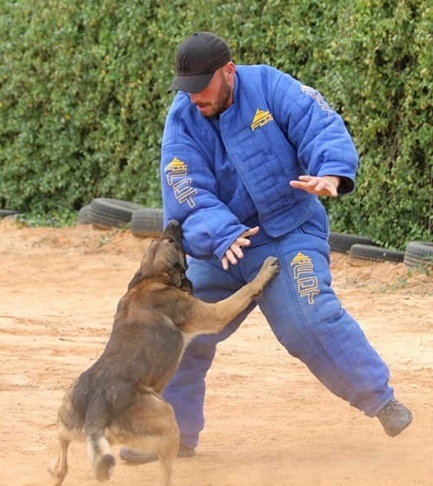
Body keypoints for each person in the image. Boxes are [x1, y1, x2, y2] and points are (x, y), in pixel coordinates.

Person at [120, 31, 412, 463]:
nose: (195, 96)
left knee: (308, 319)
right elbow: (184, 188)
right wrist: (220, 233)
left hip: (290, 233)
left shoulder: (272, 87)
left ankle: (381, 400)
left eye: (203, 85)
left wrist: (331, 171)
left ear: (229, 72)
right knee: (174, 329)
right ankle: (170, 435)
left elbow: (320, 124)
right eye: (187, 87)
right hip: (223, 247)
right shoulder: (182, 118)